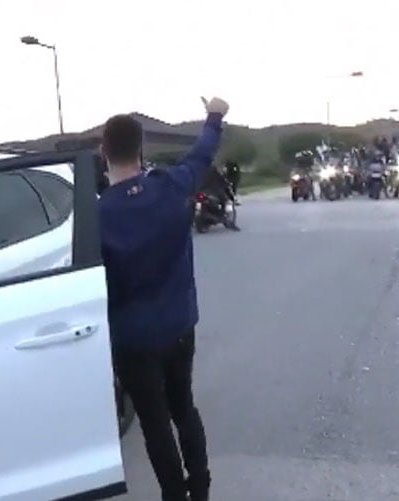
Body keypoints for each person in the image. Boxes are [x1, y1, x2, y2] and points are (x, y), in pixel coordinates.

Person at [98, 96, 229, 501]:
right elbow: (202, 153)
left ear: (104, 152)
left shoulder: (98, 215)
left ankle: (174, 494)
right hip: (179, 325)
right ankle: (200, 488)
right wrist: (214, 116)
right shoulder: (171, 186)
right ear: (141, 149)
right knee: (183, 408)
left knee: (155, 426)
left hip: (133, 340)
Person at [199, 164, 240, 230]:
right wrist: (226, 184)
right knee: (226, 201)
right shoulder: (212, 169)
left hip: (200, 191)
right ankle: (227, 219)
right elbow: (221, 179)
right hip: (213, 190)